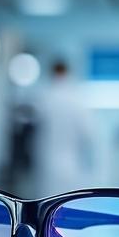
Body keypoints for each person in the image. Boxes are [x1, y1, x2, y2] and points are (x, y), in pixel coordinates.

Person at [33, 59, 94, 195]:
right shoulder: (77, 99)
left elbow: (33, 126)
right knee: (68, 200)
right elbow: (88, 133)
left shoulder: (44, 97)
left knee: (47, 201)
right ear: (68, 73)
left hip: (47, 160)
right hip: (71, 162)